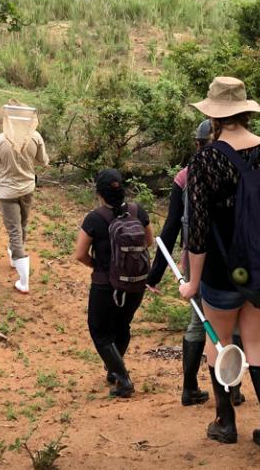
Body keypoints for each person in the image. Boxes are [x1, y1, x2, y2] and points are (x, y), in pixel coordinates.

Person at [179, 77, 260, 453]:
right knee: (255, 339)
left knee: (218, 342)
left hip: (223, 269)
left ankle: (225, 422)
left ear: (214, 116)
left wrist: (192, 282)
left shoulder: (206, 160)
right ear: (246, 112)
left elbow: (198, 234)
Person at [147, 120, 244, 407]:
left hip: (197, 260)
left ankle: (190, 388)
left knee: (198, 323)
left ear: (198, 144)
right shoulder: (238, 170)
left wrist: (154, 274)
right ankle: (233, 388)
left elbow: (171, 228)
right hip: (237, 259)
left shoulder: (186, 176)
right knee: (235, 325)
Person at [73, 169, 153, 398]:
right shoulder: (138, 211)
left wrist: (99, 266)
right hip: (135, 283)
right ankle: (115, 371)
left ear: (99, 193)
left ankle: (123, 378)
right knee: (122, 327)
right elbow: (148, 241)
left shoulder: (95, 218)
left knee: (99, 331)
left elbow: (80, 254)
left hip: (106, 285)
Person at [0, 103, 49, 294]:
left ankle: (24, 280)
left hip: (7, 192)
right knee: (22, 224)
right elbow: (43, 161)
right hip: (28, 188)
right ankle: (14, 257)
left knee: (14, 230)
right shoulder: (35, 137)